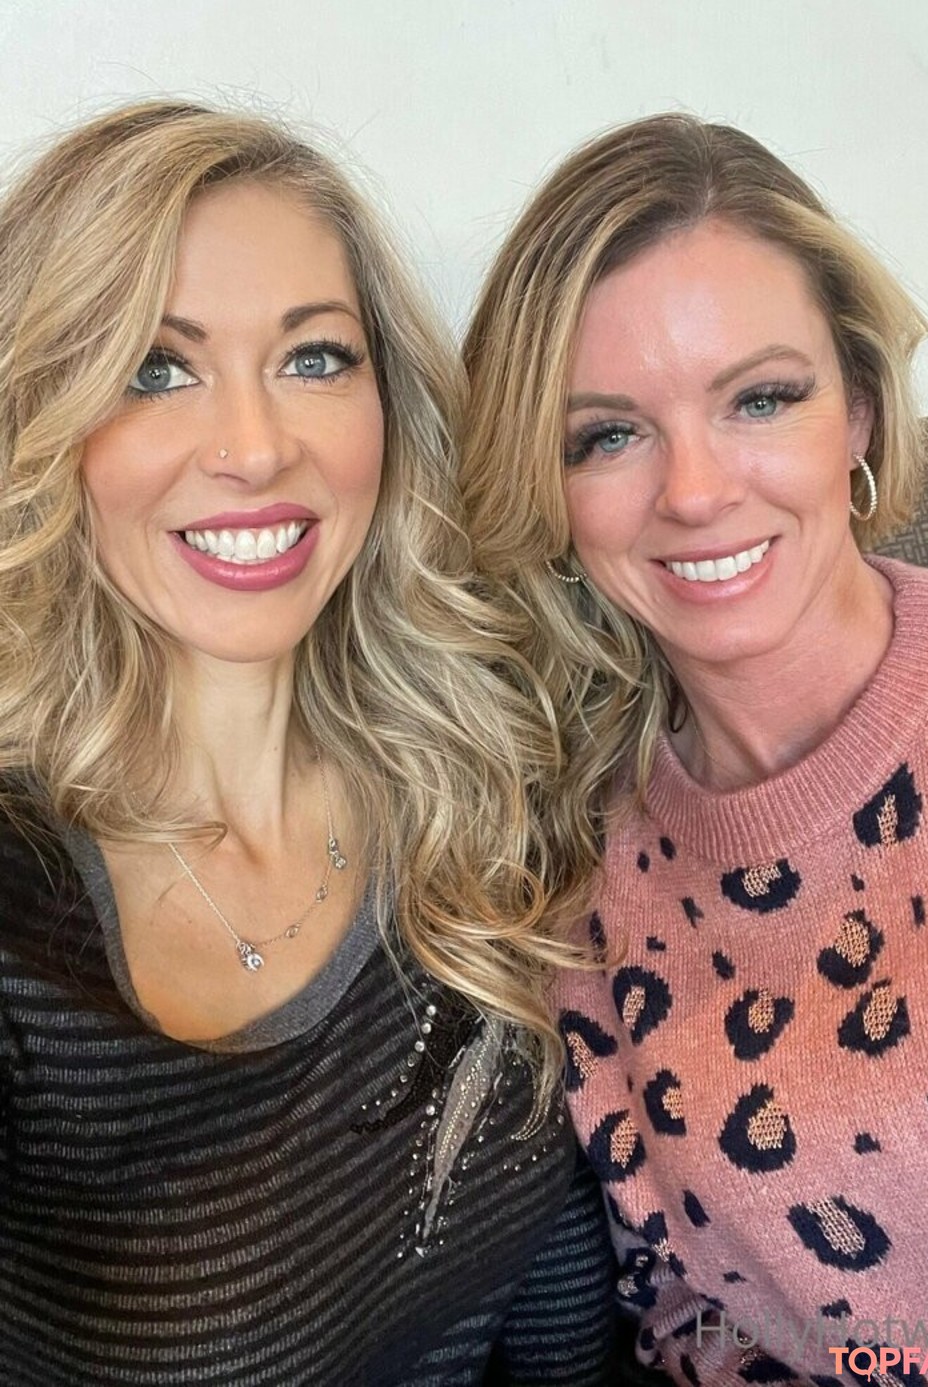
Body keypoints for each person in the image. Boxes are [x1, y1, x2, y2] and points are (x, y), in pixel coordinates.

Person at [0, 101, 615, 1385]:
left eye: (315, 358)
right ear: (41, 418)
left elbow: (557, 1285)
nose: (256, 447)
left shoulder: (475, 771)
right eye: (155, 369)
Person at [461, 113, 928, 1385]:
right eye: (608, 435)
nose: (694, 491)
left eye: (760, 398)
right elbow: (688, 1323)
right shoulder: (573, 893)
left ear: (858, 411)